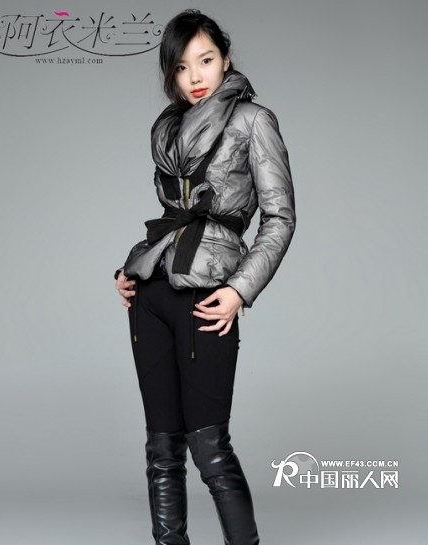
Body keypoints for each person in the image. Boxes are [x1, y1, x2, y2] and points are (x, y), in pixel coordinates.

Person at [114, 9, 296, 545]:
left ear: (226, 59)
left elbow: (280, 218)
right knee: (161, 450)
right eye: (181, 66)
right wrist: (130, 271)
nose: (194, 76)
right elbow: (173, 220)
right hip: (151, 299)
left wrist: (240, 290)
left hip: (208, 299)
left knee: (210, 448)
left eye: (206, 60)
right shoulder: (168, 129)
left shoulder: (253, 121)